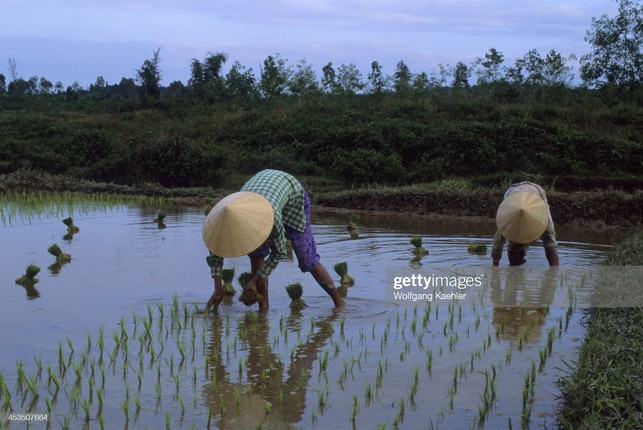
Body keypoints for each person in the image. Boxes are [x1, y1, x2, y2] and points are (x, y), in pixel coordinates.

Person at [203, 169, 345, 310]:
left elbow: (279, 253)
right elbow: (215, 254)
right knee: (256, 253)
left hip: (291, 193)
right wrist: (218, 288)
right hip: (261, 190)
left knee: (307, 258)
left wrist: (254, 280)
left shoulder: (271, 216)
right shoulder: (218, 224)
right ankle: (263, 307)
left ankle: (339, 303)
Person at [491, 181, 559, 267]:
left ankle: (554, 267)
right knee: (512, 247)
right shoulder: (507, 220)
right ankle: (516, 262)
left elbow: (550, 241)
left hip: (536, 196)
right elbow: (497, 243)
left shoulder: (540, 215)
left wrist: (554, 273)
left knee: (549, 236)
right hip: (512, 196)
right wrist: (495, 269)